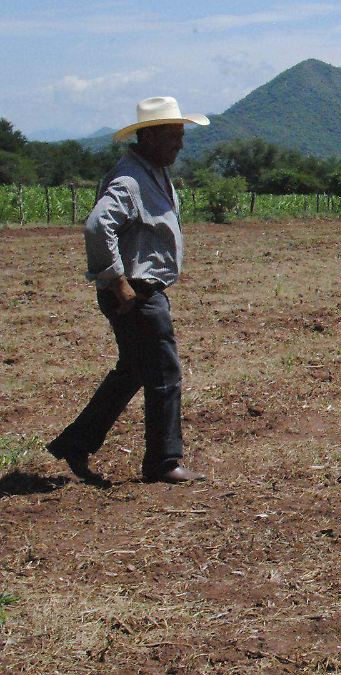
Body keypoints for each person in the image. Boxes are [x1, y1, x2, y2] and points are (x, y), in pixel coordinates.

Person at [46, 96, 209, 485]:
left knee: (133, 370)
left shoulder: (152, 171)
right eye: (173, 135)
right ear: (149, 136)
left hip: (140, 290)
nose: (180, 144)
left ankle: (76, 442)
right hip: (136, 293)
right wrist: (117, 281)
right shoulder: (130, 179)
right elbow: (97, 225)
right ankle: (163, 463)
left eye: (181, 135)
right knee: (165, 374)